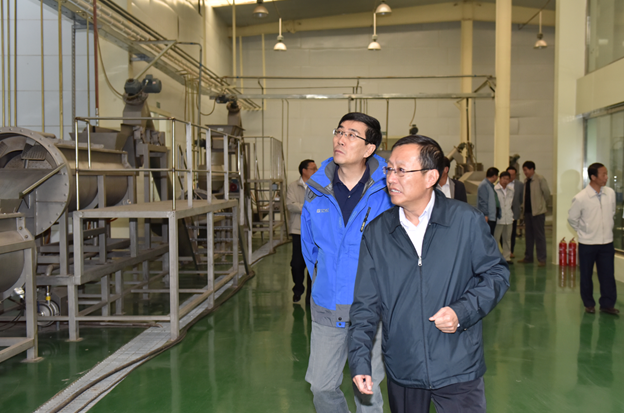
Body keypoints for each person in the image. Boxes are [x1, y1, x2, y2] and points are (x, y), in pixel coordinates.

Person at [348, 135, 509, 413]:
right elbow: (365, 304)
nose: (391, 178)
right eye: (389, 169)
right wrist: (360, 360)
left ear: (431, 177)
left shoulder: (465, 221)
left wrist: (462, 312)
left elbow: (496, 274)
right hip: (404, 368)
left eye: (401, 170)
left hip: (458, 365)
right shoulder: (378, 233)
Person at [301, 112, 393, 413]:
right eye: (339, 131)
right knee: (321, 386)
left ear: (369, 148)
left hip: (374, 308)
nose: (341, 139)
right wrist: (325, 282)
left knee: (367, 391)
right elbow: (309, 250)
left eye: (352, 134)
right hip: (328, 305)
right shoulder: (316, 190)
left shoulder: (388, 191)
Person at [567, 163, 619, 315]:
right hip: (587, 243)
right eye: (603, 174)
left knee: (608, 275)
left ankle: (607, 304)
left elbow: (612, 212)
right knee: (586, 275)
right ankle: (589, 304)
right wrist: (584, 231)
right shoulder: (581, 198)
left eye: (606, 173)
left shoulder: (610, 193)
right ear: (593, 177)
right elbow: (572, 219)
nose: (606, 177)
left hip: (606, 242)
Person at [287, 159, 317, 303]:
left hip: (315, 232)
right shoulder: (293, 186)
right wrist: (307, 208)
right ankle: (298, 288)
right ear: (304, 171)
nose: (316, 171)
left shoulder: (318, 186)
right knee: (297, 264)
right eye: (313, 168)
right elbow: (290, 205)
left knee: (314, 264)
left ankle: (311, 295)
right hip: (298, 231)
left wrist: (302, 208)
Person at [518, 161, 550, 267]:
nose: (525, 172)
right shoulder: (526, 181)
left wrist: (541, 206)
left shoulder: (540, 179)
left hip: (538, 213)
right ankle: (528, 257)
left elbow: (546, 193)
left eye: (526, 170)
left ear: (532, 169)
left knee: (539, 236)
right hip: (528, 213)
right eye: (523, 170)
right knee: (529, 236)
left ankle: (542, 259)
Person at [494, 171, 514, 264]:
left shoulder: (511, 190)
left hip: (508, 217)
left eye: (507, 179)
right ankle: (496, 257)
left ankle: (507, 257)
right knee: (496, 239)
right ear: (500, 178)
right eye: (504, 179)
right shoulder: (495, 189)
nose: (505, 181)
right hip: (499, 218)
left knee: (507, 239)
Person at [506, 166, 524, 258]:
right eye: (509, 174)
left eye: (513, 175)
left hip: (514, 212)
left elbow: (521, 198)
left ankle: (511, 251)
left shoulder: (520, 185)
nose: (511, 176)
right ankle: (504, 250)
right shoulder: (501, 183)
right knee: (502, 232)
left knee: (512, 232)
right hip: (503, 212)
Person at [478, 167, 500, 235]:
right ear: (494, 176)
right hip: (488, 217)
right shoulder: (484, 185)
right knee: (487, 235)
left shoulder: (490, 185)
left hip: (492, 216)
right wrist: (485, 214)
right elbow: (483, 201)